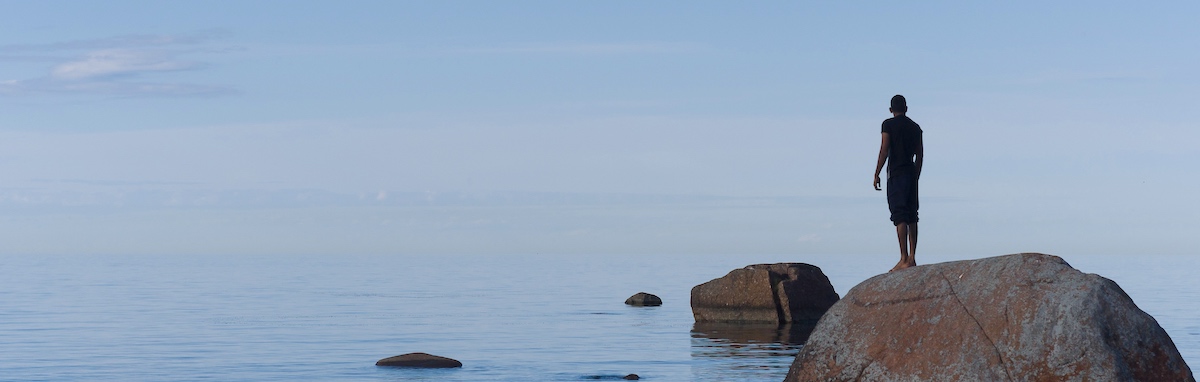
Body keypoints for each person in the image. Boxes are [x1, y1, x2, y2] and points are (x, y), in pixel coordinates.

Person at [873, 95, 923, 272]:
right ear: (906, 108)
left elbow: (884, 149)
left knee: (900, 215)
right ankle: (912, 257)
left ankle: (903, 258)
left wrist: (877, 173)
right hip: (910, 173)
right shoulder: (915, 127)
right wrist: (916, 175)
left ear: (891, 110)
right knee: (912, 215)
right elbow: (920, 155)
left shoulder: (888, 125)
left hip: (896, 174)